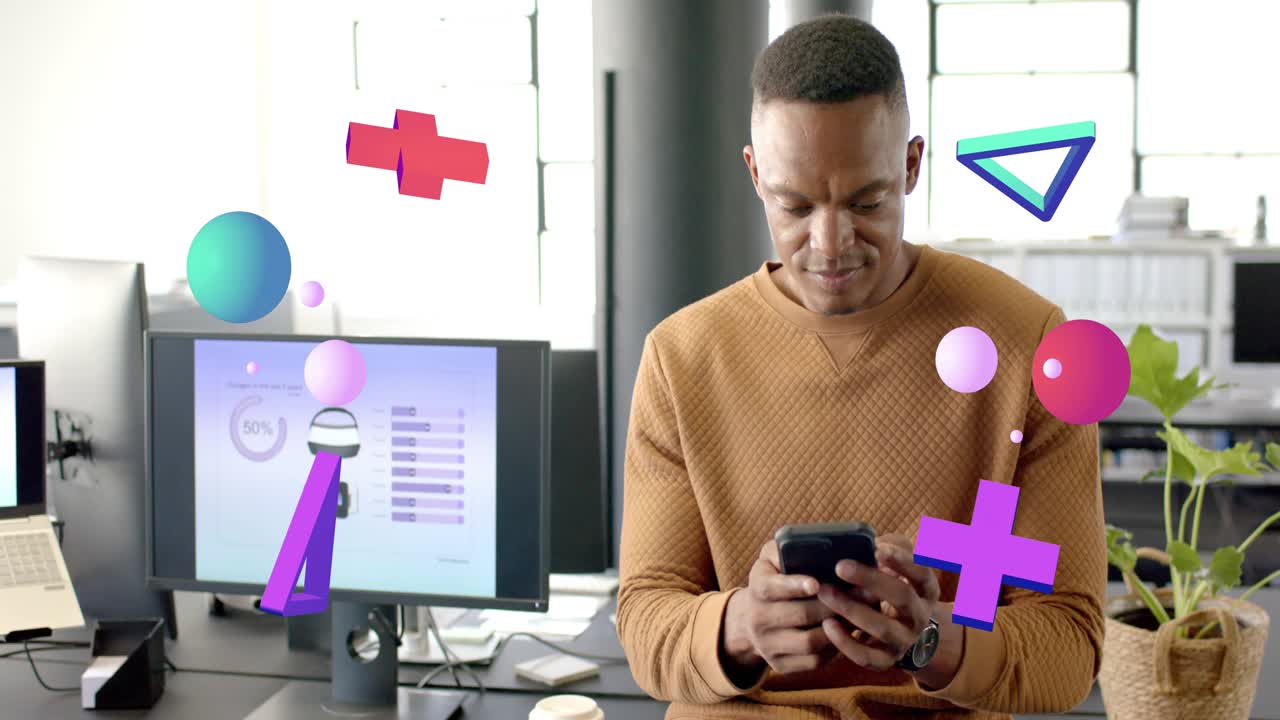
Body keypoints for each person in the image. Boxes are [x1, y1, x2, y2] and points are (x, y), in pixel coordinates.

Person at [615, 13, 1106, 720]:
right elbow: (647, 618)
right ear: (755, 173)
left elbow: (1068, 643)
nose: (830, 242)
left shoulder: (1027, 347)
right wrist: (742, 627)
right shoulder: (683, 358)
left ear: (910, 165)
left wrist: (936, 643)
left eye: (867, 201)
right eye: (794, 204)